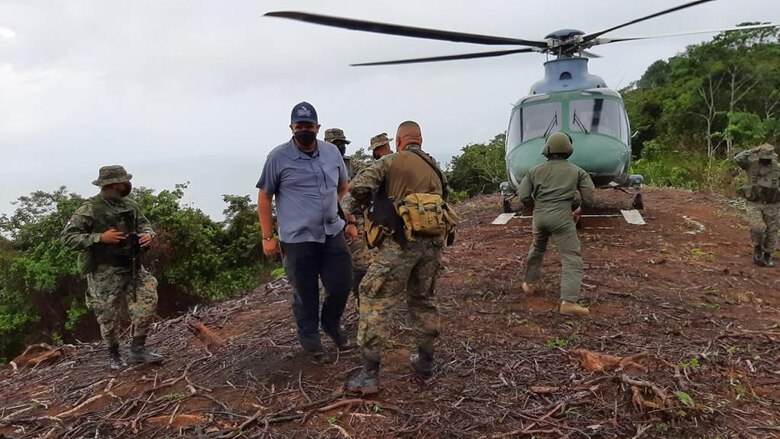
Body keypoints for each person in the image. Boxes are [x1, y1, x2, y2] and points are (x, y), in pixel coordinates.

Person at [346, 121, 456, 394]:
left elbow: (358, 187)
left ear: (398, 141)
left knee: (374, 297)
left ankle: (369, 375)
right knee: (423, 299)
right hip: (432, 244)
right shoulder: (435, 168)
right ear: (420, 139)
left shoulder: (390, 162)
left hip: (399, 243)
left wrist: (376, 207)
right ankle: (426, 361)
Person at [256, 102, 355, 356]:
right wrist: (267, 236)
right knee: (305, 291)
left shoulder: (332, 153)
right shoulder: (277, 158)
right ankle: (310, 340)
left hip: (332, 231)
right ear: (291, 127)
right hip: (298, 239)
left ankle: (331, 323)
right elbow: (265, 196)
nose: (304, 130)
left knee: (342, 283)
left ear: (317, 127)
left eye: (309, 126)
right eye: (299, 126)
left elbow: (343, 188)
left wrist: (351, 221)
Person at [61, 165, 163, 369]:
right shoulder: (89, 208)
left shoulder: (131, 205)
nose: (127, 184)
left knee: (147, 302)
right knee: (107, 316)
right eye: (124, 181)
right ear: (115, 184)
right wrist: (100, 238)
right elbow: (67, 238)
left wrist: (148, 235)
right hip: (104, 271)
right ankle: (114, 354)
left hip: (132, 265)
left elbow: (144, 224)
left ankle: (138, 350)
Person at [518, 132, 595, 316]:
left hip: (539, 217)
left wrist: (537, 207)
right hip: (562, 217)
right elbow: (589, 198)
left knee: (537, 249)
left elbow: (523, 196)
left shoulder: (534, 171)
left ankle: (529, 284)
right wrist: (578, 210)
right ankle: (568, 302)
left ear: (547, 149)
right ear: (568, 149)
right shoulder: (577, 171)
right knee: (571, 257)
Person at [341, 133, 395, 301]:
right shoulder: (376, 169)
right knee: (363, 265)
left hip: (385, 221)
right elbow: (353, 193)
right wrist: (346, 216)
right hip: (358, 221)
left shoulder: (393, 164)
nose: (384, 150)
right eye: (382, 148)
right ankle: (363, 299)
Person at [734, 143, 780, 267]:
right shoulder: (750, 165)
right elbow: (737, 158)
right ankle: (757, 248)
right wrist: (753, 150)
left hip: (772, 205)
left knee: (772, 231)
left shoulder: (777, 168)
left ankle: (768, 254)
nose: (765, 159)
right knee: (757, 227)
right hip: (755, 203)